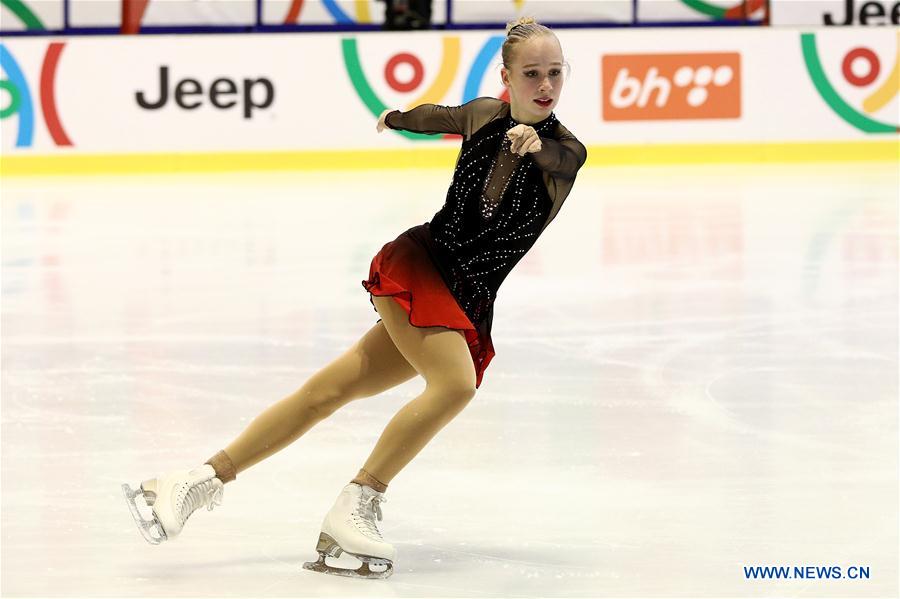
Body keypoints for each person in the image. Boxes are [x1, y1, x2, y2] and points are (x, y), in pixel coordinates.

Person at [122, 16, 586, 580]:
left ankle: (189, 483)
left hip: (467, 298)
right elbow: (437, 117)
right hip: (422, 268)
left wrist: (535, 144)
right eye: (532, 73)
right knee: (455, 385)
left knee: (326, 393)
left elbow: (557, 159)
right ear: (507, 78)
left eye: (555, 73)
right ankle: (359, 500)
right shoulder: (484, 115)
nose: (545, 84)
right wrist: (396, 118)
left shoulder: (567, 150)